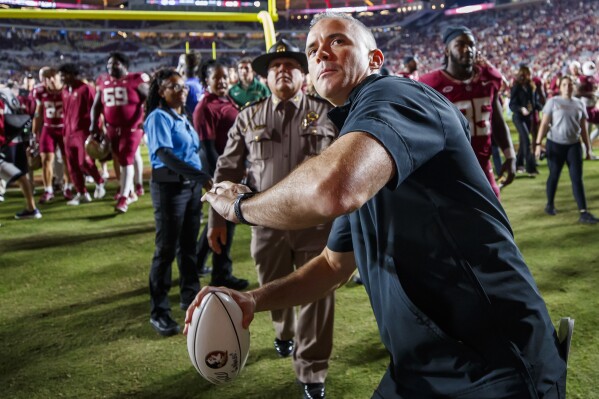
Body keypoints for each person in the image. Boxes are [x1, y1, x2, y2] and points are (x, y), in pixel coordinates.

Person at [189, 13, 568, 399]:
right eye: (312, 49)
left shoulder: (398, 95)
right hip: (420, 368)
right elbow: (332, 266)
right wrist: (253, 299)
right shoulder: (358, 132)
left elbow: (334, 189)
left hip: (494, 363)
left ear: (374, 60)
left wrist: (241, 207)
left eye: (337, 41)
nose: (320, 52)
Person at [206, 39, 338, 399]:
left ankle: (312, 370)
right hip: (266, 224)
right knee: (274, 286)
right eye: (275, 67)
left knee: (318, 295)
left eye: (291, 65)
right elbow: (228, 168)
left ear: (303, 74)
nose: (283, 71)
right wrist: (216, 221)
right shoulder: (248, 116)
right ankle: (283, 332)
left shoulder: (327, 112)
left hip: (316, 223)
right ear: (265, 77)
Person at [144, 68, 211, 336]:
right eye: (173, 86)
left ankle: (191, 298)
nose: (181, 90)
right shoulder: (158, 117)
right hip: (170, 189)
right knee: (166, 250)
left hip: (190, 188)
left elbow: (194, 152)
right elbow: (165, 154)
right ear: (161, 91)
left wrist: (201, 177)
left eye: (182, 86)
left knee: (188, 247)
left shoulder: (182, 117)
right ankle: (159, 312)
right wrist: (202, 176)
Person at [419, 26, 516, 198]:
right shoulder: (430, 85)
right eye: (461, 44)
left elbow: (497, 121)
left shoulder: (488, 79)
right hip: (449, 174)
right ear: (447, 50)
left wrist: (509, 155)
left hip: (484, 169)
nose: (468, 49)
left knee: (497, 223)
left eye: (471, 44)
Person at [192, 60, 248, 289]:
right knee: (227, 220)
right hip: (221, 171)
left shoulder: (227, 100)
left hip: (231, 169)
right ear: (207, 81)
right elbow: (207, 148)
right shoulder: (205, 107)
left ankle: (196, 263)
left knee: (217, 222)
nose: (223, 81)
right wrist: (224, 180)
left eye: (225, 76)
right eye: (217, 78)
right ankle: (221, 274)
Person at [90, 52, 150, 213]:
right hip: (111, 128)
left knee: (127, 159)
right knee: (119, 159)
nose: (110, 67)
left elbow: (150, 100)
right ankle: (129, 190)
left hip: (132, 128)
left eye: (115, 64)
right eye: (109, 64)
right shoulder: (103, 81)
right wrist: (93, 126)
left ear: (124, 66)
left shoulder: (136, 80)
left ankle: (124, 197)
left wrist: (146, 120)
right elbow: (96, 106)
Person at [535, 75, 598, 225]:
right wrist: (538, 144)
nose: (567, 87)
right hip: (555, 144)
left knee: (577, 178)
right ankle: (549, 205)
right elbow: (544, 124)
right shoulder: (553, 102)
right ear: (560, 86)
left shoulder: (579, 104)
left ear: (574, 87)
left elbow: (583, 128)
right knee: (554, 175)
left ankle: (583, 212)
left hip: (574, 145)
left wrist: (588, 148)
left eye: (570, 85)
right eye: (564, 84)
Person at [58, 63, 106, 205]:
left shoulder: (86, 89)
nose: (61, 77)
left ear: (72, 74)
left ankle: (100, 182)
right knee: (72, 165)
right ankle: (81, 193)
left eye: (63, 74)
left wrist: (96, 130)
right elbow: (66, 112)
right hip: (68, 133)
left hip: (83, 132)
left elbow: (96, 109)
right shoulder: (65, 91)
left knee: (85, 162)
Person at [32, 67, 71, 203]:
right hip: (48, 129)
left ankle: (67, 187)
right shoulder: (40, 91)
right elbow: (38, 113)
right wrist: (34, 132)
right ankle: (48, 190)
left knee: (67, 160)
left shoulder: (67, 90)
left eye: (52, 77)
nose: (50, 80)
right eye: (47, 78)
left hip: (64, 129)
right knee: (46, 160)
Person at [0, 98, 42, 219]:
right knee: (21, 176)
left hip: (5, 144)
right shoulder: (7, 94)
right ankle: (32, 208)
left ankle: (32, 209)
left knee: (17, 176)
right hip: (16, 141)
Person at [509, 65, 539, 175]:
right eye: (524, 74)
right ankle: (531, 168)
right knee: (526, 139)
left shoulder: (531, 86)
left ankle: (519, 164)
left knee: (523, 142)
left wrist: (538, 107)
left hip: (528, 117)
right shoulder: (516, 87)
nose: (526, 76)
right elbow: (512, 104)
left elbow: (534, 102)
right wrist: (521, 109)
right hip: (518, 117)